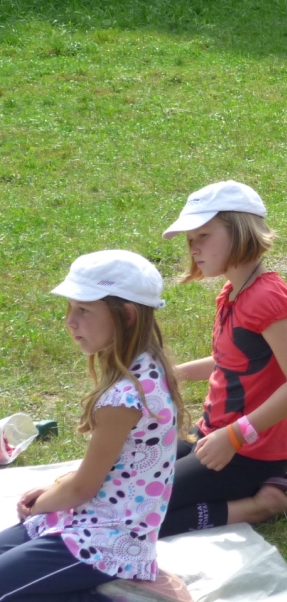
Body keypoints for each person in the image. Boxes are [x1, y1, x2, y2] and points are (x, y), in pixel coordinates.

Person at [2, 250, 186, 601]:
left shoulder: (125, 397)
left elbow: (82, 489)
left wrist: (40, 506)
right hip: (85, 519)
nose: (70, 322)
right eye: (70, 308)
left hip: (105, 543)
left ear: (127, 316)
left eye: (84, 310)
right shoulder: (145, 366)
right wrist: (55, 491)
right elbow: (110, 469)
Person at [159, 180, 287, 538]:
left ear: (240, 231)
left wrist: (236, 437)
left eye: (203, 236)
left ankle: (265, 503)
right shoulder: (232, 291)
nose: (194, 248)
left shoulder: (268, 298)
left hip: (248, 454)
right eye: (190, 240)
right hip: (212, 435)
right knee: (131, 482)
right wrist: (174, 373)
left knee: (143, 515)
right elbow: (230, 359)